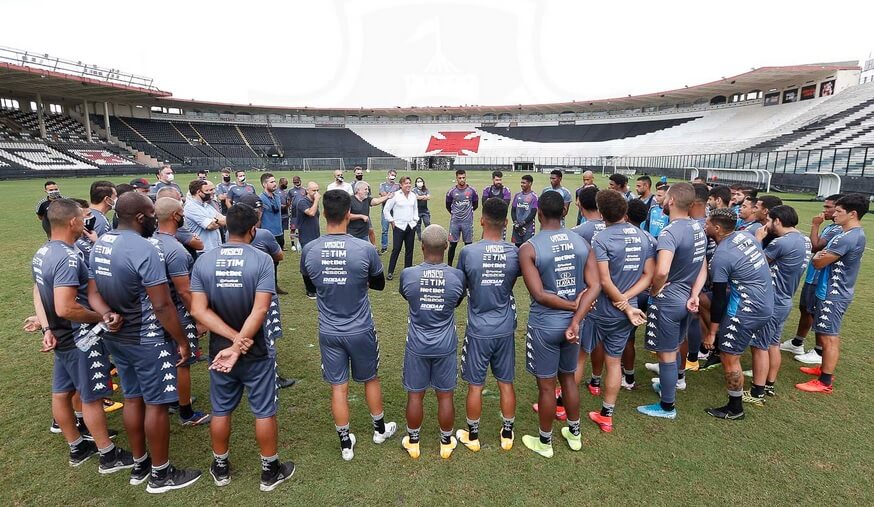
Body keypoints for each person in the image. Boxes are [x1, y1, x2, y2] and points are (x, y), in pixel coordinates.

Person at [88, 192, 201, 492]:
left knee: (133, 398)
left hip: (117, 338)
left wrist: (106, 314)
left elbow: (93, 292)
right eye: (151, 213)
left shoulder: (101, 242)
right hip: (147, 338)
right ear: (140, 217)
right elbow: (163, 305)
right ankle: (161, 474)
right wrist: (182, 341)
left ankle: (140, 464)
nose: (155, 218)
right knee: (157, 404)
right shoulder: (145, 248)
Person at [190, 203, 296, 491]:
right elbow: (260, 310)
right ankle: (269, 470)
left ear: (226, 228)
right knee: (264, 411)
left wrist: (230, 341)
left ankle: (220, 466)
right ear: (253, 230)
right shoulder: (261, 260)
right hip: (255, 350)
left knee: (221, 410)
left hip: (219, 351)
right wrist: (239, 345)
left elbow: (199, 311)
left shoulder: (204, 260)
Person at [33, 199, 134, 472]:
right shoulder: (67, 257)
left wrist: (46, 328)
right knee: (90, 396)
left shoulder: (43, 252)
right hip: (80, 338)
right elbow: (66, 307)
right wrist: (99, 317)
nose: (86, 221)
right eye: (82, 217)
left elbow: (39, 294)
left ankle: (77, 447)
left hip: (60, 337)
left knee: (61, 393)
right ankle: (108, 455)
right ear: (72, 222)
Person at [301, 190, 398, 461]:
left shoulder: (310, 249)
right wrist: (355, 280)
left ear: (323, 215)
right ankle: (379, 429)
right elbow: (378, 284)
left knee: (338, 387)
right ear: (347, 214)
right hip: (360, 329)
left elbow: (311, 286)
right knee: (370, 379)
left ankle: (346, 443)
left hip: (329, 330)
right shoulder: (364, 248)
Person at [519, 191, 600, 458]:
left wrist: (570, 307)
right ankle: (574, 434)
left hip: (544, 325)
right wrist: (576, 317)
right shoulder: (581, 242)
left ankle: (545, 442)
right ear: (565, 212)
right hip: (573, 327)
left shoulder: (529, 248)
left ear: (538, 213)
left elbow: (540, 294)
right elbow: (595, 286)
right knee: (568, 380)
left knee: (545, 386)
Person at [637, 183, 707, 420]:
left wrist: (655, 290)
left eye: (665, 197)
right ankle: (669, 386)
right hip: (687, 298)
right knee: (674, 347)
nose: (662, 201)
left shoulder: (670, 232)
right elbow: (703, 267)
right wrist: (695, 294)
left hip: (669, 301)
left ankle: (667, 406)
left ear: (672, 201)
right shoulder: (698, 228)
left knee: (665, 354)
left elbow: (662, 271)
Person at [456, 198, 521, 452]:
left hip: (479, 329)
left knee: (476, 384)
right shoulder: (514, 252)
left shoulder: (469, 252)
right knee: (506, 382)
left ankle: (473, 436)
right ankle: (507, 434)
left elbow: (461, 289)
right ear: (506, 222)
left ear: (481, 220)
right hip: (504, 326)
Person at [586, 190, 653, 433]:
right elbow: (649, 276)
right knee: (614, 363)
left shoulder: (601, 239)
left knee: (579, 358)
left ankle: (561, 406)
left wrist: (623, 303)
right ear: (625, 211)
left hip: (602, 310)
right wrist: (628, 302)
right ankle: (606, 415)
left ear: (601, 214)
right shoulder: (644, 237)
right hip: (628, 312)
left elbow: (603, 280)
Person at [399, 224, 467, 459]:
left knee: (415, 394)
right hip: (445, 343)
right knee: (445, 395)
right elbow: (456, 302)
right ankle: (446, 442)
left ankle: (413, 441)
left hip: (417, 343)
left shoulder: (408, 274)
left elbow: (407, 296)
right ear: (446, 246)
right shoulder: (457, 276)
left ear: (422, 247)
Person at [700, 208, 774, 420]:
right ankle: (755, 390)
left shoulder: (721, 256)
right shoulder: (745, 235)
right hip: (766, 302)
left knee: (729, 357)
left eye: (706, 224)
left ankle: (735, 408)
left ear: (716, 228)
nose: (704, 227)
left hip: (746, 309)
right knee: (757, 348)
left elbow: (720, 298)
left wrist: (712, 332)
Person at [797, 194, 867, 394]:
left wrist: (818, 257)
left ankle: (825, 381)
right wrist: (820, 255)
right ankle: (823, 368)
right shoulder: (845, 234)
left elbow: (818, 261)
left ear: (852, 214)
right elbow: (820, 254)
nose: (834, 214)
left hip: (834, 293)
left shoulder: (849, 237)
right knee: (826, 333)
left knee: (829, 336)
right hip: (829, 290)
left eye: (838, 211)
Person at [153, 198, 212, 426]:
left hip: (157, 311)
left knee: (166, 356)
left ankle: (170, 398)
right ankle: (186, 412)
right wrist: (200, 318)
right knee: (182, 359)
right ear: (176, 216)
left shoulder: (150, 241)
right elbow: (185, 292)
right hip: (177, 311)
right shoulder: (175, 249)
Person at [744, 205, 811, 404]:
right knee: (773, 343)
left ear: (778, 221)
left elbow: (755, 264)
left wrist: (757, 240)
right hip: (785, 299)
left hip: (772, 300)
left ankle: (757, 392)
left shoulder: (781, 243)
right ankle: (769, 384)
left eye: (769, 221)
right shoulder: (804, 239)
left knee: (759, 347)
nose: (766, 224)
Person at [235, 194, 296, 389]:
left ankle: (243, 373)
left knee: (243, 333)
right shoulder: (263, 235)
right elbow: (279, 255)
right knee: (267, 338)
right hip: (262, 293)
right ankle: (272, 377)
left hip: (237, 294)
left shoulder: (230, 235)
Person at [781, 194, 843, 361]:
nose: (825, 211)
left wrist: (815, 225)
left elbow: (815, 246)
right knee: (805, 308)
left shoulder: (838, 229)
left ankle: (819, 351)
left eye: (829, 208)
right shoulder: (831, 227)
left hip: (821, 277)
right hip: (813, 274)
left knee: (815, 311)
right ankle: (797, 342)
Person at [571, 186, 606, 395]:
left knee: (580, 354)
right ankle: (595, 381)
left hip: (588, 298)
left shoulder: (577, 233)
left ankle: (565, 401)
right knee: (600, 341)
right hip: (610, 298)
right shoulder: (612, 227)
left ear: (579, 204)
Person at [383, 176, 419, 280]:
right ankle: (390, 271)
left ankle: (408, 272)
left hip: (410, 226)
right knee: (396, 249)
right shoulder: (395, 195)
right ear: (401, 185)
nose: (408, 185)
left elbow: (415, 209)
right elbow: (386, 209)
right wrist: (391, 220)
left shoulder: (413, 195)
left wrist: (415, 220)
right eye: (406, 183)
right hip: (399, 226)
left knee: (409, 250)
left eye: (409, 183)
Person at [446, 169, 479, 266]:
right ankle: (449, 265)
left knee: (468, 245)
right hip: (455, 222)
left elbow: (475, 205)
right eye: (460, 178)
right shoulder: (451, 192)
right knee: (452, 245)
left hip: (467, 222)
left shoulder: (472, 191)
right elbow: (448, 205)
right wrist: (455, 214)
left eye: (463, 177)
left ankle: (468, 266)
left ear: (466, 177)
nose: (462, 180)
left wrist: (468, 213)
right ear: (456, 178)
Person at [184, 180, 225, 253]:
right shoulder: (190, 207)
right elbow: (210, 226)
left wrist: (215, 220)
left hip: (215, 249)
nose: (212, 192)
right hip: (203, 252)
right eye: (208, 190)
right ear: (199, 192)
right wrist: (218, 221)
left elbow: (225, 221)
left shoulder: (207, 206)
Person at [296, 182, 322, 298]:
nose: (316, 193)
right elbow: (311, 213)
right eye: (313, 191)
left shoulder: (313, 202)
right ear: (307, 190)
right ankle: (310, 289)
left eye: (317, 190)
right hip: (306, 237)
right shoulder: (302, 202)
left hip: (315, 236)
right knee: (307, 263)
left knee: (315, 262)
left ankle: (315, 285)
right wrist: (316, 200)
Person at [481, 171, 511, 240]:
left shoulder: (506, 190)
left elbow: (505, 206)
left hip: (500, 220)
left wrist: (490, 202)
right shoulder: (487, 190)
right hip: (488, 220)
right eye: (497, 180)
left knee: (500, 241)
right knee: (485, 240)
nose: (499, 182)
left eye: (500, 180)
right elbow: (484, 205)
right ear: (493, 179)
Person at [259, 173, 284, 253]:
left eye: (275, 181)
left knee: (277, 260)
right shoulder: (260, 199)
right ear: (264, 184)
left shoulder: (277, 197)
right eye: (272, 182)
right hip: (267, 235)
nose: (275, 184)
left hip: (279, 233)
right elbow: (258, 218)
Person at [511, 175, 538, 247]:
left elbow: (533, 213)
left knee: (527, 247)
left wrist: (523, 223)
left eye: (524, 183)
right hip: (517, 227)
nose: (522, 185)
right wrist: (515, 222)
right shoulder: (517, 195)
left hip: (528, 228)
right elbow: (513, 210)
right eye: (521, 183)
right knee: (517, 247)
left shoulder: (534, 196)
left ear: (530, 183)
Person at [378, 170, 400, 254]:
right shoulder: (382, 185)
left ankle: (397, 246)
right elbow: (383, 194)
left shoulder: (397, 185)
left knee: (396, 229)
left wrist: (389, 195)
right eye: (392, 175)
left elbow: (399, 195)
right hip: (385, 210)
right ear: (388, 175)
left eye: (394, 175)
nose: (393, 177)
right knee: (384, 229)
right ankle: (384, 247)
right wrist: (391, 195)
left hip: (396, 211)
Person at [288, 176, 307, 252]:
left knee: (302, 228)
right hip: (294, 213)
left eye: (297, 182)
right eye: (295, 182)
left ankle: (301, 242)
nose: (296, 184)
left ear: (300, 181)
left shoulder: (304, 190)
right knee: (293, 228)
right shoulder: (291, 191)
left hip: (302, 213)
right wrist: (289, 211)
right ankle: (292, 244)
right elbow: (288, 202)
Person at [277, 177, 290, 250]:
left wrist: (288, 204)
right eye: (284, 184)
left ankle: (282, 245)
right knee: (278, 230)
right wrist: (284, 206)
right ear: (280, 183)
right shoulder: (275, 191)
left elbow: (288, 201)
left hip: (285, 214)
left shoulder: (286, 192)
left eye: (286, 184)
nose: (285, 185)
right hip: (278, 214)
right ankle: (277, 245)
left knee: (283, 231)